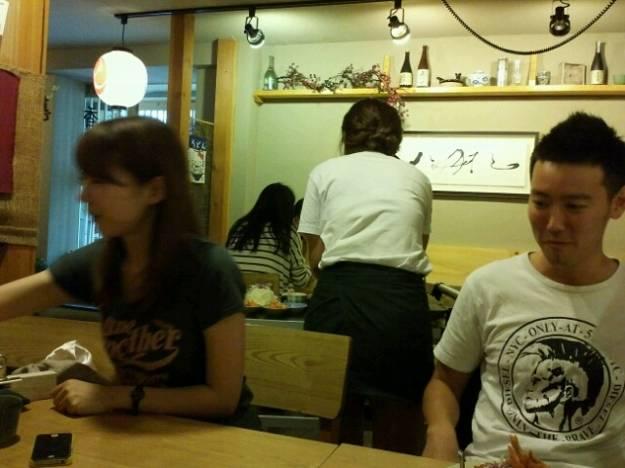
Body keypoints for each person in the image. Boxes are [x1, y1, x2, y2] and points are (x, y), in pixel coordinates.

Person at [0, 117, 259, 428]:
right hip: (138, 431)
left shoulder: (209, 268)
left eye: (101, 181)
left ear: (155, 190)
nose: (84, 195)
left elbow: (222, 398)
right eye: (85, 179)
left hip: (221, 439)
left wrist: (113, 396)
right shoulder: (101, 261)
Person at [422, 112, 625, 468]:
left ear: (618, 203)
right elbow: (445, 382)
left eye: (574, 206)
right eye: (540, 202)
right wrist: (440, 431)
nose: (554, 223)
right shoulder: (489, 286)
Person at [298, 98, 434, 453]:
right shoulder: (418, 178)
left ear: (346, 135)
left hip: (339, 297)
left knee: (336, 419)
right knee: (400, 423)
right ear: (396, 138)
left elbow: (315, 254)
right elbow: (418, 245)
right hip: (400, 305)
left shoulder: (324, 172)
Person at [226, 183, 311, 294]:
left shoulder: (239, 227)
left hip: (233, 296)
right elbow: (302, 280)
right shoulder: (288, 233)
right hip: (269, 300)